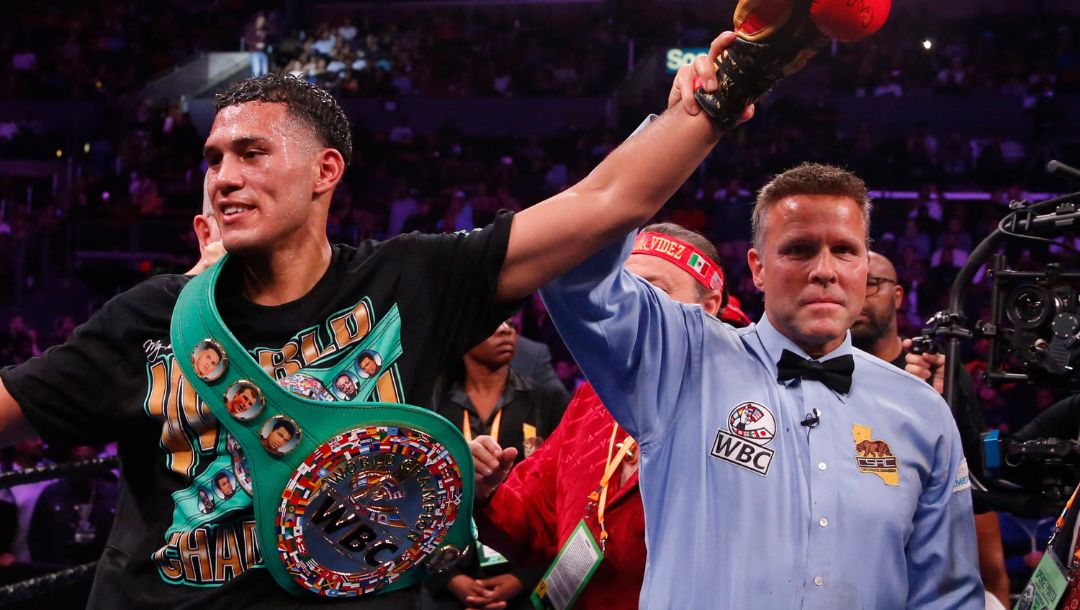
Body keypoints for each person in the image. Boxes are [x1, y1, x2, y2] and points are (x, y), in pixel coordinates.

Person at [0, 29, 750, 606]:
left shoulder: (412, 280)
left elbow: (602, 202)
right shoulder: (149, 317)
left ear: (326, 171)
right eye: (214, 157)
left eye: (252, 153)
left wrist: (708, 104)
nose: (224, 177)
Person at [536, 154, 983, 606]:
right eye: (799, 249)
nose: (824, 270)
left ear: (865, 266)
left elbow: (945, 596)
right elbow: (572, 268)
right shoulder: (682, 362)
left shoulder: (922, 411)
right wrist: (689, 127)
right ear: (757, 268)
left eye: (844, 250)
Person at [471, 223, 747, 610]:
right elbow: (534, 522)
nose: (636, 307)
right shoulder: (593, 399)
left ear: (707, 307)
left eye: (655, 290)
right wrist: (486, 491)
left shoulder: (749, 412)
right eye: (624, 291)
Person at [851, 251, 1010, 609]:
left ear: (898, 296)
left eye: (872, 284)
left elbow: (973, 481)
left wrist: (997, 580)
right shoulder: (819, 375)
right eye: (853, 283)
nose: (859, 295)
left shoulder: (936, 373)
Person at [427, 318, 568, 610]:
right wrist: (448, 577)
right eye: (492, 322)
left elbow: (565, 496)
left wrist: (524, 578)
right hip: (447, 585)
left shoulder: (546, 400)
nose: (506, 329)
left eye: (511, 323)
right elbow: (418, 498)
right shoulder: (434, 410)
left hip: (526, 583)